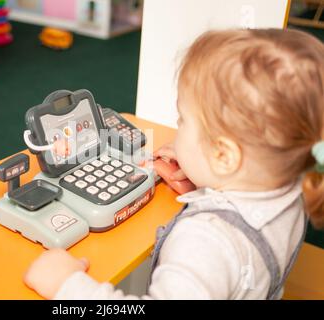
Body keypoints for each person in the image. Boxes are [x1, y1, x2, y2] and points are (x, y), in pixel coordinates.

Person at [24, 28, 324, 299]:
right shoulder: (296, 184)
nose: (177, 128)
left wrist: (68, 286)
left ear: (224, 156)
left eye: (182, 120)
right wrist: (208, 177)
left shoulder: (204, 243)